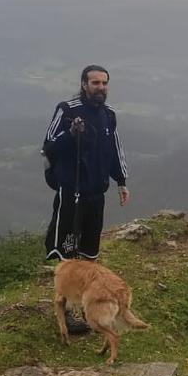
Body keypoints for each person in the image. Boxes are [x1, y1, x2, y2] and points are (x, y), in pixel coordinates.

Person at [42, 64, 130, 263]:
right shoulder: (67, 109)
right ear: (84, 84)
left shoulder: (108, 114)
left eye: (104, 83)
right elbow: (49, 146)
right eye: (95, 83)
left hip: (97, 191)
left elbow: (114, 148)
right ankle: (64, 291)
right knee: (66, 250)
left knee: (90, 250)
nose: (101, 87)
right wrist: (71, 133)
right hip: (72, 189)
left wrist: (121, 181)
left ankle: (84, 289)